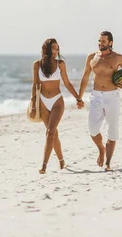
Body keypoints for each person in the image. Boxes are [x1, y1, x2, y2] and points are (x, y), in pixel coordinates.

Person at [77, 31, 122, 171]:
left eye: (103, 41)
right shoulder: (92, 57)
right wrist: (80, 97)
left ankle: (108, 163)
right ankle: (101, 149)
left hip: (112, 96)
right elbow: (85, 77)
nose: (100, 43)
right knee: (92, 128)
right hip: (96, 96)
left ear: (110, 43)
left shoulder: (118, 58)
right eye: (99, 41)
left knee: (112, 130)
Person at [30, 38, 83, 174]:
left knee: (50, 132)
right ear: (46, 50)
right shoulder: (37, 64)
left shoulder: (61, 64)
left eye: (57, 48)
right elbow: (35, 85)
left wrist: (78, 97)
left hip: (57, 102)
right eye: (53, 48)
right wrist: (33, 105)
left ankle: (44, 166)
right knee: (53, 134)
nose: (56, 51)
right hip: (42, 102)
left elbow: (67, 83)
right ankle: (61, 161)